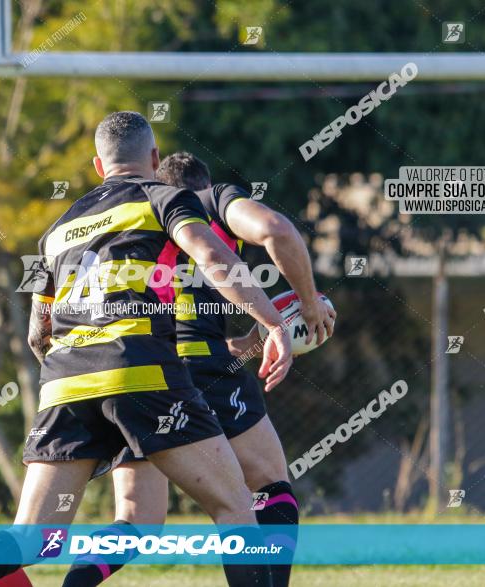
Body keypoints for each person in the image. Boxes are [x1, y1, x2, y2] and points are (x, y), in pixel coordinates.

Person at [0, 111, 292, 587]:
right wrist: (273, 322)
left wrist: (79, 385)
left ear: (98, 166)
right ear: (154, 158)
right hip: (143, 374)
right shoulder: (166, 196)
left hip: (63, 383)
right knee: (237, 507)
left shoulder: (54, 230)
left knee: (33, 536)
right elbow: (212, 256)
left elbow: (40, 332)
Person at [63, 151, 336, 586]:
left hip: (141, 370)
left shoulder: (133, 220)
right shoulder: (209, 203)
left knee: (137, 521)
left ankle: (74, 583)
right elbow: (275, 229)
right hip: (205, 369)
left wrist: (246, 345)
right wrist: (306, 301)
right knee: (269, 489)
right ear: (202, 184)